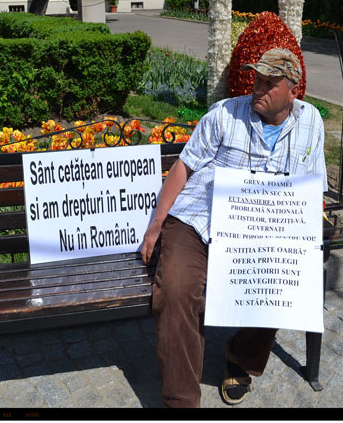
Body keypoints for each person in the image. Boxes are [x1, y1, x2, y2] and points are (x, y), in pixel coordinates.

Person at [140, 48, 328, 408]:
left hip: (264, 229)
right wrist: (157, 224)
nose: (258, 88)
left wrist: (304, 239)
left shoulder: (312, 122)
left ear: (293, 90)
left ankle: (240, 355)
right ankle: (180, 402)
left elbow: (313, 186)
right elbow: (184, 167)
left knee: (283, 285)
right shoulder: (224, 113)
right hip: (200, 220)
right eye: (256, 80)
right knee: (177, 290)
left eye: (269, 84)